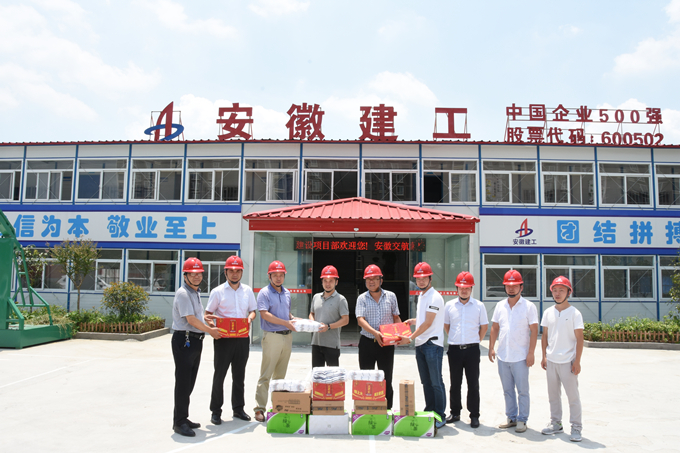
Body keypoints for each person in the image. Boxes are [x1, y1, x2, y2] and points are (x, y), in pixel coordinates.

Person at [170, 258, 221, 437]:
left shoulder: (195, 292)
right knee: (183, 383)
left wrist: (206, 319)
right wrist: (210, 330)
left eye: (199, 273)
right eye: (192, 274)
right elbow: (190, 320)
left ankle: (183, 417)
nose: (197, 277)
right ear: (185, 275)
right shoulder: (184, 293)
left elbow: (195, 316)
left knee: (189, 382)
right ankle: (179, 422)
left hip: (194, 340)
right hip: (185, 341)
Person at [204, 255, 257, 425]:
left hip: (242, 338)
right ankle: (216, 411)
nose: (235, 274)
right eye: (231, 271)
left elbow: (253, 310)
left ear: (242, 272)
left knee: (239, 376)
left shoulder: (247, 291)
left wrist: (249, 319)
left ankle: (238, 409)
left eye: (238, 271)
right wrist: (212, 327)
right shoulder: (217, 291)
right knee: (219, 375)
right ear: (225, 272)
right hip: (223, 339)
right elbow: (207, 314)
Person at [488, 269, 538, 433]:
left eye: (515, 285)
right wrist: (491, 348)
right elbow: (495, 327)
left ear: (521, 287)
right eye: (508, 285)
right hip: (503, 355)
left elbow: (534, 330)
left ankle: (522, 419)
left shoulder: (529, 306)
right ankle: (511, 417)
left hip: (520, 357)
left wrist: (531, 352)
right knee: (507, 390)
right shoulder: (500, 305)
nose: (511, 288)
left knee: (522, 391)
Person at [355, 264, 408, 409]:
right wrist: (375, 332)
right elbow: (360, 320)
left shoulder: (391, 296)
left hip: (386, 345)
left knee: (386, 378)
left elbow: (396, 317)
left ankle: (387, 409)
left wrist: (402, 334)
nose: (371, 282)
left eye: (374, 278)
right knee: (366, 377)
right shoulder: (362, 298)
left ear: (381, 280)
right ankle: (366, 409)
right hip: (367, 343)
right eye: (368, 279)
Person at [540, 276, 584, 442]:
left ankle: (576, 427)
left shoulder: (575, 313)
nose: (557, 293)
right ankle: (556, 424)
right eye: (555, 290)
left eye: (561, 290)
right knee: (553, 396)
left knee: (573, 397)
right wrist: (544, 356)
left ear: (569, 292)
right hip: (551, 361)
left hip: (568, 362)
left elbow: (580, 338)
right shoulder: (548, 312)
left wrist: (577, 361)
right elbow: (545, 336)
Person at [403, 262, 447, 429]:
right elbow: (424, 319)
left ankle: (440, 415)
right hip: (421, 344)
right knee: (426, 382)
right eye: (418, 278)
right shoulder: (422, 296)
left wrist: (410, 337)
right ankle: (430, 411)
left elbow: (428, 323)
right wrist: (413, 321)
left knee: (436, 382)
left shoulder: (434, 297)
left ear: (430, 278)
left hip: (432, 344)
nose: (421, 281)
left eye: (424, 278)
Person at [253, 260, 298, 422]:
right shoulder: (264, 293)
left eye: (281, 275)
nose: (278, 278)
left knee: (280, 375)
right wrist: (286, 322)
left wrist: (294, 319)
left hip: (287, 336)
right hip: (272, 336)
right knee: (266, 374)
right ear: (269, 276)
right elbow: (264, 314)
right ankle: (259, 408)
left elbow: (287, 313)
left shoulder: (287, 293)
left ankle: (277, 406)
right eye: (275, 275)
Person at [443, 271, 488, 428]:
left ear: (471, 289)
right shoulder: (449, 306)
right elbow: (447, 325)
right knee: (455, 383)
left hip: (472, 350)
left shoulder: (479, 306)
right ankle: (455, 412)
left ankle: (474, 415)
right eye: (461, 287)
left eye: (467, 288)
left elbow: (484, 327)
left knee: (473, 383)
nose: (464, 290)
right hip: (454, 350)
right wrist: (456, 339)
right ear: (457, 288)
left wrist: (475, 341)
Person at [309, 265, 350, 367]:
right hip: (316, 342)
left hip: (331, 345)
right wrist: (312, 322)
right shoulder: (316, 297)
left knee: (333, 375)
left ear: (336, 282)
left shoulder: (341, 299)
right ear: (322, 282)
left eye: (331, 281)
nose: (327, 284)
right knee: (317, 374)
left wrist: (328, 327)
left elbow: (345, 320)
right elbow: (312, 313)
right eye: (325, 281)